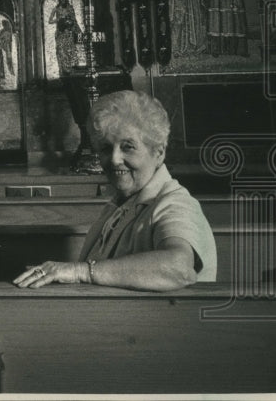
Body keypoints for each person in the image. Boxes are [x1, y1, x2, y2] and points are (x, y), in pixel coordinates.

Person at [14, 91, 216, 291]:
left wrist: (80, 272)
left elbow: (179, 269)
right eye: (105, 148)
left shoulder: (176, 204)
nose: (114, 159)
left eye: (128, 147)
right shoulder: (121, 203)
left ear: (159, 152)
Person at [48, 0, 82, 75]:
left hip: (69, 32)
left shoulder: (70, 8)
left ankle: (72, 70)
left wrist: (77, 30)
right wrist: (58, 19)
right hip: (60, 32)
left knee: (70, 51)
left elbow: (74, 20)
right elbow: (50, 21)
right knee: (61, 52)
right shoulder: (56, 8)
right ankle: (63, 70)